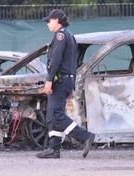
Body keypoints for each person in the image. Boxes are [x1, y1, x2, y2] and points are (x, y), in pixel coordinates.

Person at [36, 9, 95, 159]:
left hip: (60, 80)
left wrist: (49, 80)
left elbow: (56, 59)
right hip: (65, 79)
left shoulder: (61, 36)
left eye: (49, 20)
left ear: (57, 20)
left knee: (56, 113)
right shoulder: (68, 35)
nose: (47, 23)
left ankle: (85, 136)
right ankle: (53, 148)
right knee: (51, 115)